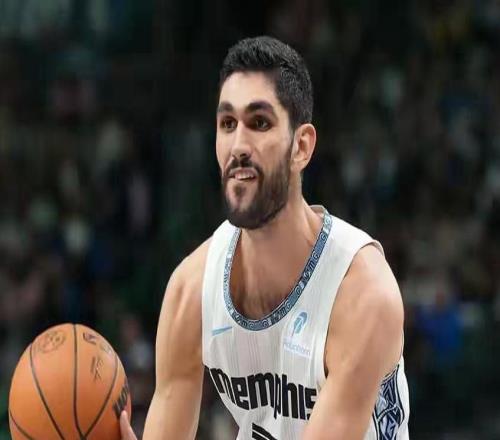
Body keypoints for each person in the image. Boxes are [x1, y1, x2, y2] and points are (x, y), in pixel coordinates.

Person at [120, 36, 409, 440]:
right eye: (227, 124)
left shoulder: (363, 294)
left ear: (301, 147)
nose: (238, 145)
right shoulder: (190, 291)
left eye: (259, 123)